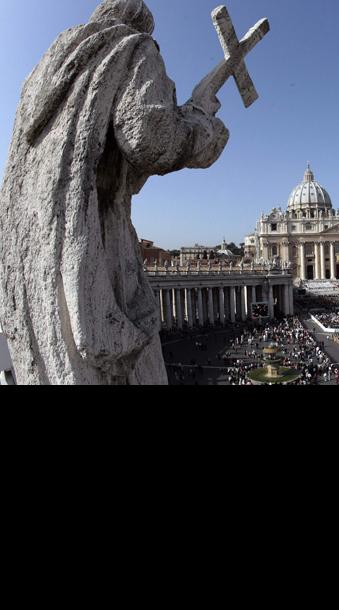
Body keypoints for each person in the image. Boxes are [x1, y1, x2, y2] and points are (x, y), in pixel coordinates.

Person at [0, 0, 230, 385]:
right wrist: (203, 127)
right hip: (88, 250)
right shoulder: (132, 46)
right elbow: (152, 138)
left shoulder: (40, 74)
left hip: (30, 261)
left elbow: (119, 170)